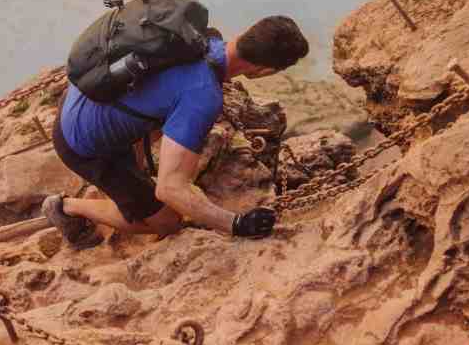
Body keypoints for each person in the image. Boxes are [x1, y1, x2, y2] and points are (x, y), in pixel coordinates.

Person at [44, 15, 309, 243]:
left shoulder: (199, 36)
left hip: (81, 95)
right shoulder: (203, 94)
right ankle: (66, 208)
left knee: (163, 110)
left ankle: (122, 188)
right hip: (81, 144)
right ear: (264, 71)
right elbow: (170, 189)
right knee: (168, 223)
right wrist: (236, 224)